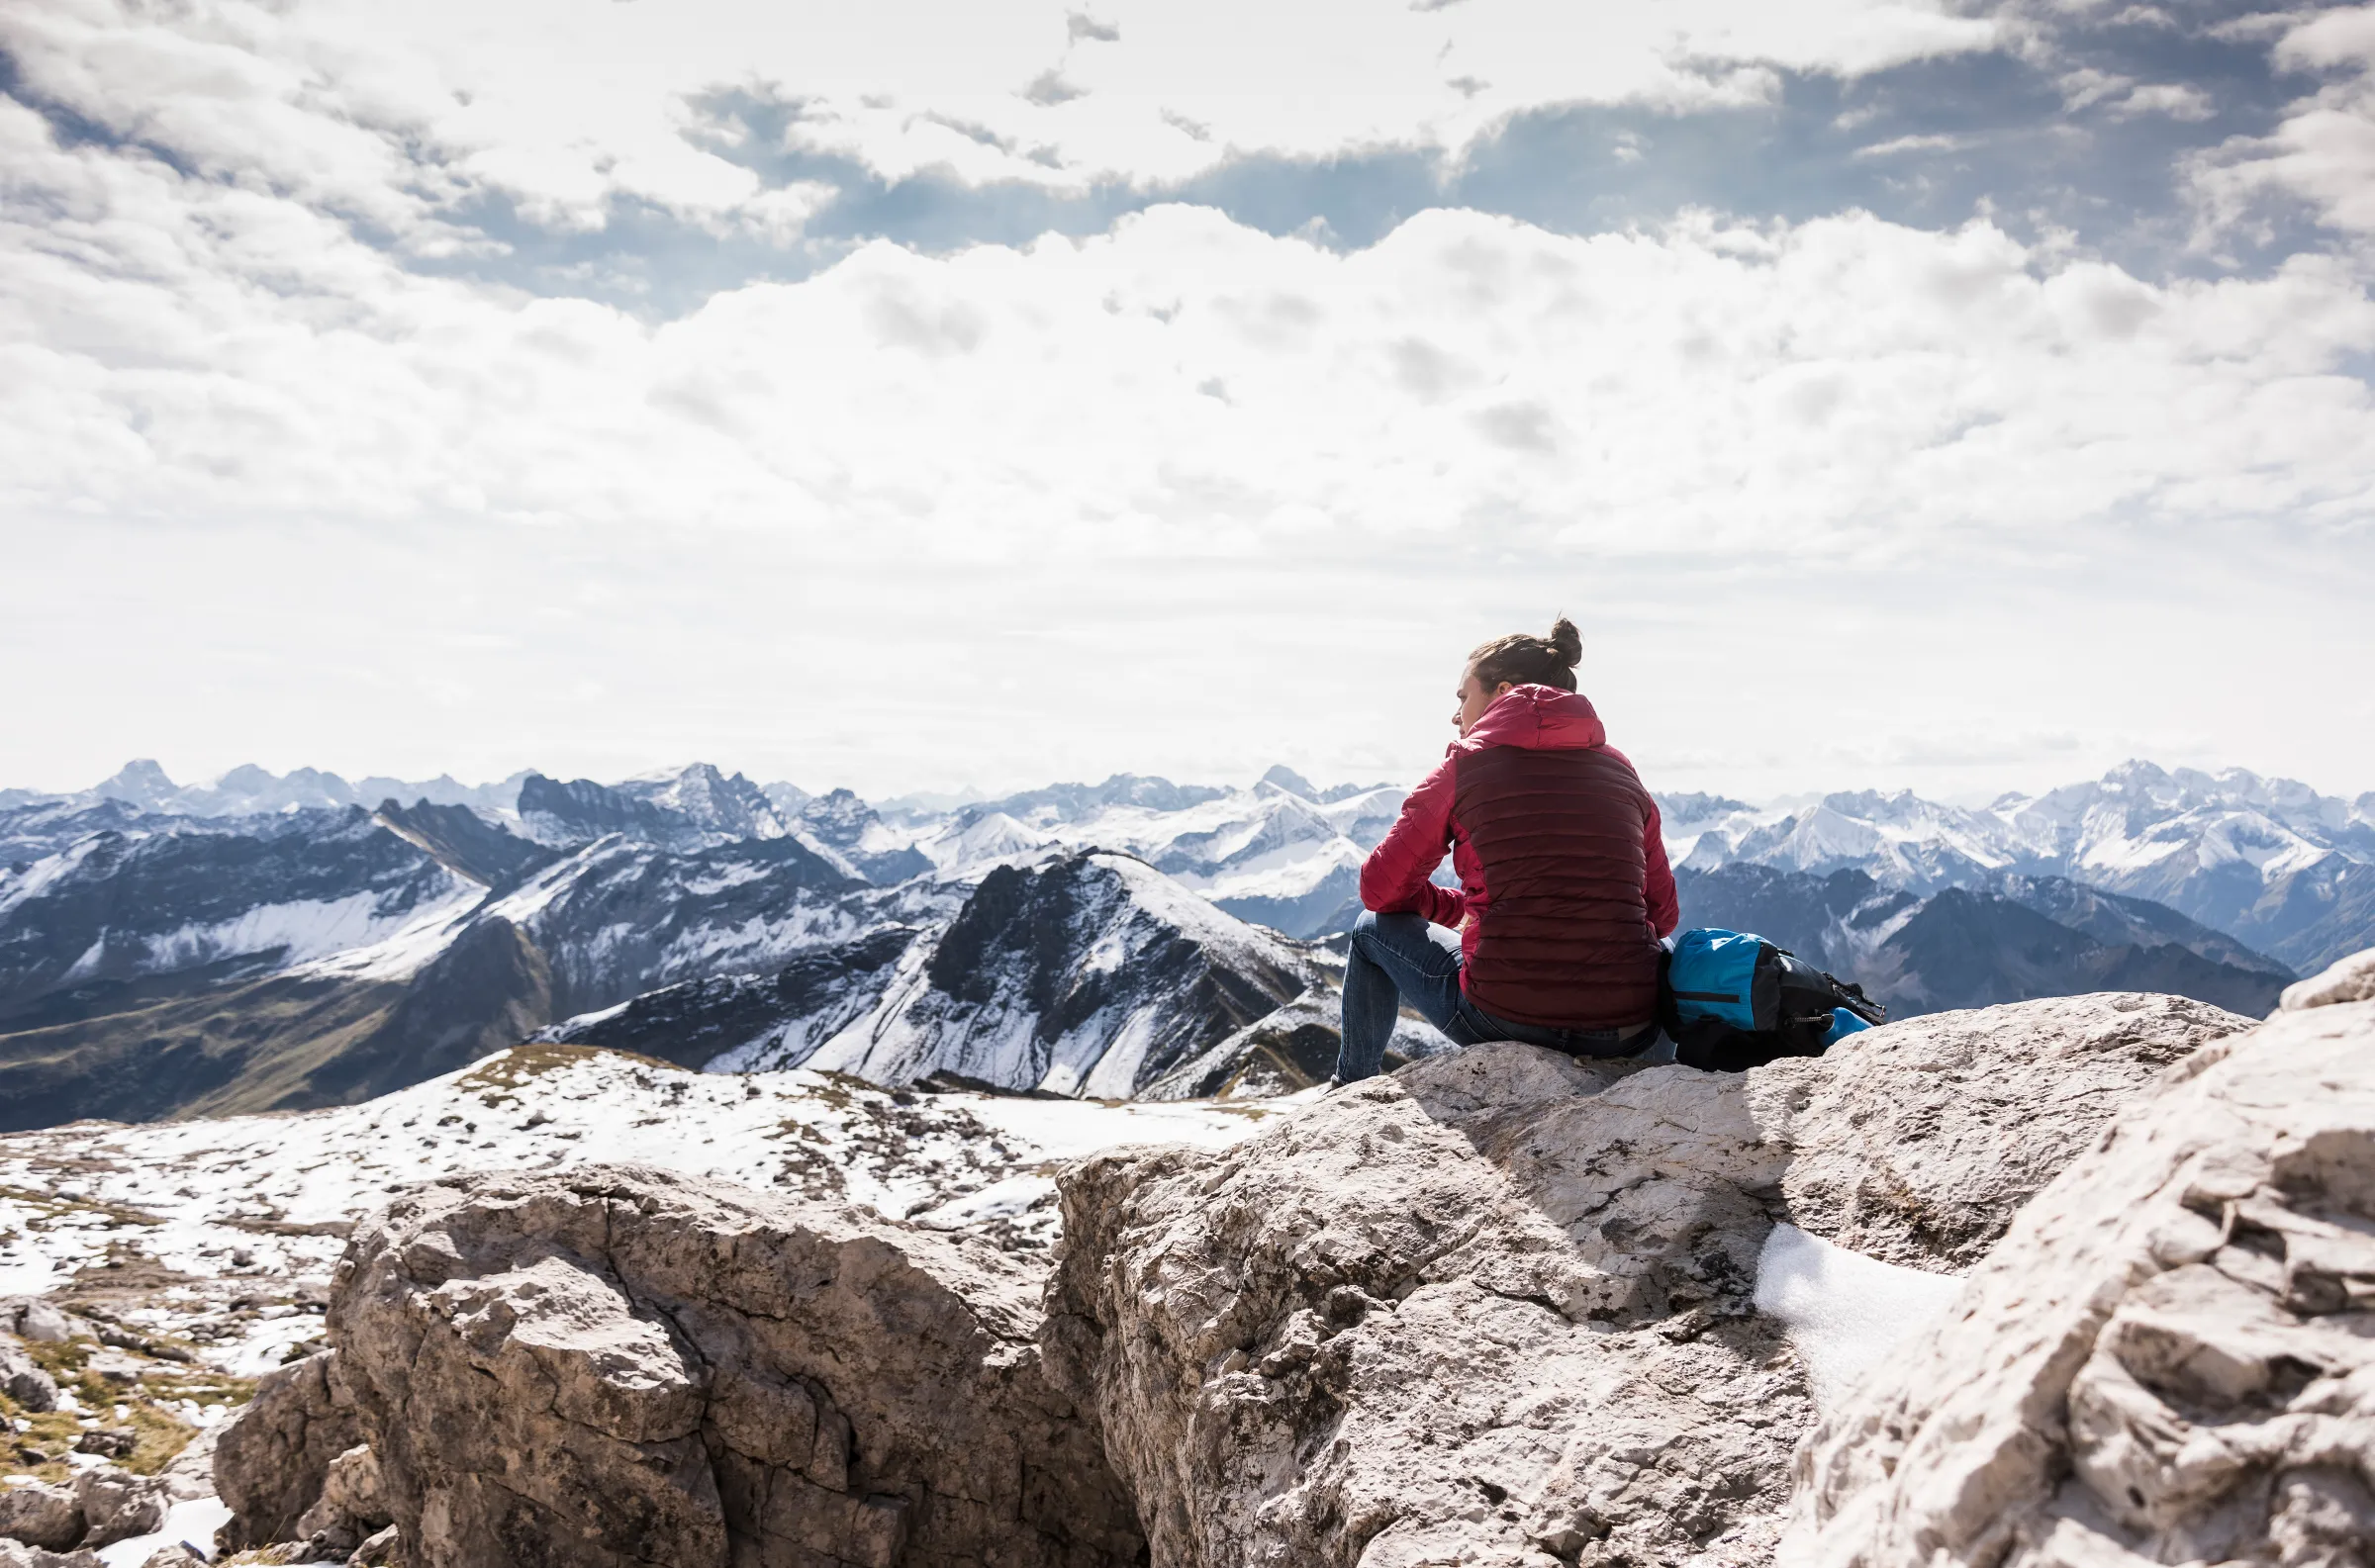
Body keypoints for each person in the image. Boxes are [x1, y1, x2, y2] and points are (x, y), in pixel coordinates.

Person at [1333, 616, 1679, 1083]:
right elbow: (1662, 913)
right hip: (1631, 1033)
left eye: (1462, 697)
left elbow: (1379, 891)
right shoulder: (1620, 770)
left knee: (1370, 929)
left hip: (1502, 1018)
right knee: (1666, 945)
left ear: (1502, 691)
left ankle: (1351, 1088)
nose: (1456, 715)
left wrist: (1452, 909)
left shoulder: (1464, 767)